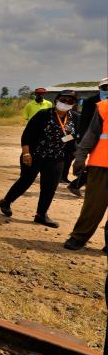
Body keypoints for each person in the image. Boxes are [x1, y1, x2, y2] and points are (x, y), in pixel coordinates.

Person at [0, 90, 79, 228]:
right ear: (57, 100)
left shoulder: (75, 118)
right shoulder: (44, 114)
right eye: (63, 100)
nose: (66, 103)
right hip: (35, 155)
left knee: (50, 187)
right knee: (26, 181)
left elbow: (73, 138)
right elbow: (27, 134)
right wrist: (26, 154)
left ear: (74, 104)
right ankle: (6, 201)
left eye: (70, 101)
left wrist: (76, 153)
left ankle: (41, 215)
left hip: (56, 158)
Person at [63, 96, 108, 250]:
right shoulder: (104, 107)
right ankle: (79, 237)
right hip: (102, 165)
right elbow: (92, 133)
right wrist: (80, 157)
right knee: (94, 205)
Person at [67, 77, 108, 196]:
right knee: (96, 164)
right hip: (93, 139)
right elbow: (84, 121)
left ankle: (76, 184)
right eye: (105, 87)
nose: (107, 89)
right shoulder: (90, 101)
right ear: (99, 88)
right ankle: (77, 184)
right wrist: (81, 141)